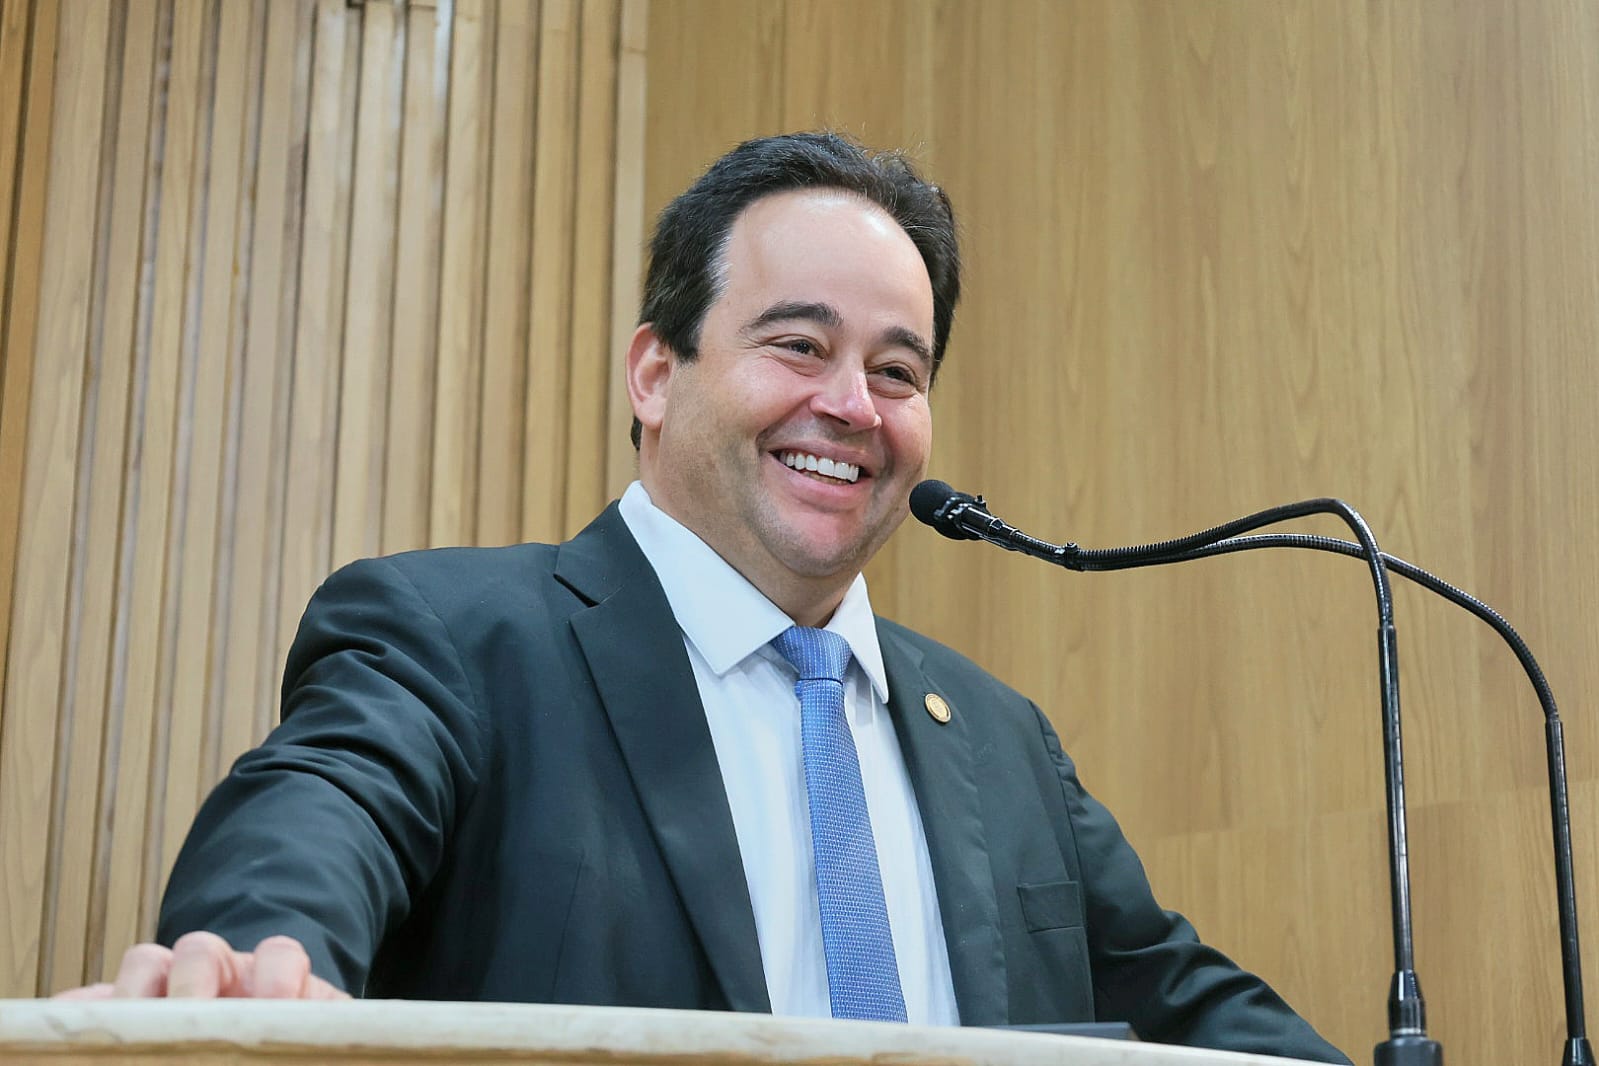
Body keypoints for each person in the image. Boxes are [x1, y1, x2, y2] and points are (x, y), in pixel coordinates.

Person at [60, 132, 1349, 1063]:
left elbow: (1188, 1009)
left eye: (896, 370)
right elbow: (323, 813)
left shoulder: (1002, 740)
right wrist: (258, 956)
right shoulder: (455, 639)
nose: (851, 405)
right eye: (798, 344)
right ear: (655, 373)